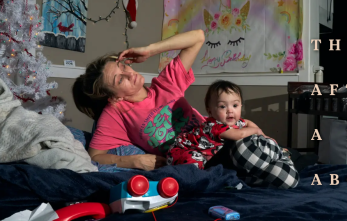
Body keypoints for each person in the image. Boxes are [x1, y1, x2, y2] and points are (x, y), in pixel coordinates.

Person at [73, 30, 206, 171]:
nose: (130, 74)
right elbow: (95, 156)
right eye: (120, 79)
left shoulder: (166, 83)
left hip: (216, 140)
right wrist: (134, 161)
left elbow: (198, 37)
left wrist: (150, 50)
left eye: (123, 67)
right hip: (191, 164)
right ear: (114, 97)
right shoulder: (117, 112)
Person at [167, 80, 299, 189]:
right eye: (223, 107)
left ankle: (280, 159)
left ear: (241, 105)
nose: (230, 111)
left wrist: (263, 135)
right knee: (196, 170)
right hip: (184, 150)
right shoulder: (214, 125)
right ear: (210, 111)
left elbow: (247, 123)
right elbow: (239, 135)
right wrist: (256, 131)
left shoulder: (237, 123)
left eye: (235, 105)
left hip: (214, 156)